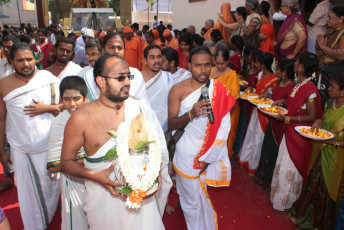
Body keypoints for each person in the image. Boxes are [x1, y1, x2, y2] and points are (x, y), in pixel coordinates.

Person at [60, 53, 169, 229]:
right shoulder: (80, 118)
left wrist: (152, 170)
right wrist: (94, 176)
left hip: (142, 198)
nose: (127, 82)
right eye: (120, 78)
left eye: (128, 76)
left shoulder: (139, 108)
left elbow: (154, 148)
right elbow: (66, 162)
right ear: (101, 82)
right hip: (104, 202)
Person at [169, 46, 235, 230]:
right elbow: (171, 123)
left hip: (209, 153)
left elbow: (224, 127)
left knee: (198, 196)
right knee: (191, 200)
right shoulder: (178, 90)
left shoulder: (219, 90)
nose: (203, 70)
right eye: (198, 65)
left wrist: (210, 157)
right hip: (186, 153)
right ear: (189, 65)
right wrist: (191, 113)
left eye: (207, 65)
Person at [0, 42, 60, 229]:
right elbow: (1, 120)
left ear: (35, 57)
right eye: (20, 60)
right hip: (22, 149)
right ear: (11, 62)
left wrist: (48, 108)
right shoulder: (4, 84)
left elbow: (68, 107)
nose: (25, 63)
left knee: (51, 189)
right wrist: (1, 150)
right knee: (29, 195)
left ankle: (48, 217)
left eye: (28, 58)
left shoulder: (48, 78)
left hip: (50, 145)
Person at [290, 66, 344, 229]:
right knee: (313, 183)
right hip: (318, 150)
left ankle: (322, 222)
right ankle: (307, 216)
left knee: (327, 189)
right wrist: (318, 122)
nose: (328, 88)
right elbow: (321, 119)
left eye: (332, 87)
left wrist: (331, 142)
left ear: (342, 91)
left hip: (335, 158)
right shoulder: (329, 103)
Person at [271, 52, 323, 212]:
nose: (294, 64)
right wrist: (284, 101)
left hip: (298, 134)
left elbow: (312, 115)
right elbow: (299, 105)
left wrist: (287, 120)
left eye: (297, 62)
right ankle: (280, 199)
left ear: (301, 67)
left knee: (291, 166)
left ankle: (286, 202)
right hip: (290, 131)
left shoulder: (310, 89)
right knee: (284, 162)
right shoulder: (300, 84)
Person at [47, 76, 89, 230]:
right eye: (67, 99)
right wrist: (84, 160)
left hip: (98, 181)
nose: (72, 104)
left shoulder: (94, 116)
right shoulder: (59, 123)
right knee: (77, 224)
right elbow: (53, 166)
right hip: (73, 183)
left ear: (86, 98)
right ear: (61, 99)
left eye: (76, 98)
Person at [254, 58, 296, 191]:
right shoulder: (279, 82)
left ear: (284, 72)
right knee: (267, 146)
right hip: (272, 120)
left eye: (278, 69)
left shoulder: (293, 87)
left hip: (280, 122)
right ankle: (262, 177)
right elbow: (274, 93)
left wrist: (283, 101)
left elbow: (291, 105)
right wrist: (267, 94)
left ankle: (270, 181)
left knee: (274, 149)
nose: (275, 71)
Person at [239, 52, 279, 175]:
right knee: (250, 134)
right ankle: (245, 159)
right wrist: (252, 90)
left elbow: (273, 98)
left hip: (264, 113)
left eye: (257, 62)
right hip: (256, 110)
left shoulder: (274, 80)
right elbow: (258, 90)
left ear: (262, 65)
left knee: (258, 137)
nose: (254, 64)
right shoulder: (260, 75)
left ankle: (253, 165)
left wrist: (266, 96)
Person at [84, 32, 148, 102]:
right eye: (111, 47)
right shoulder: (89, 76)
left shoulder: (135, 74)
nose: (116, 51)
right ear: (103, 50)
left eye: (120, 48)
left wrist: (130, 100)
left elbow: (145, 105)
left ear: (124, 50)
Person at [210, 49, 240, 159]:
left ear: (227, 62)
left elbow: (233, 99)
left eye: (222, 63)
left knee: (226, 135)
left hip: (229, 111)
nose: (219, 66)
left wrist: (223, 116)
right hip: (213, 108)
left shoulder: (232, 75)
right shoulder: (211, 70)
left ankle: (223, 160)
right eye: (217, 63)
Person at [0, 34, 20, 191]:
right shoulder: (0, 65)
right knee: (4, 145)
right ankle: (8, 177)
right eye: (4, 46)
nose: (6, 50)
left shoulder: (24, 67)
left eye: (9, 46)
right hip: (2, 112)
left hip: (18, 115)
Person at [141, 44, 172, 130]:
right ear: (145, 61)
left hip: (162, 126)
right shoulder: (137, 78)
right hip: (141, 126)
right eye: (152, 57)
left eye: (159, 57)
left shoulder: (168, 78)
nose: (157, 60)